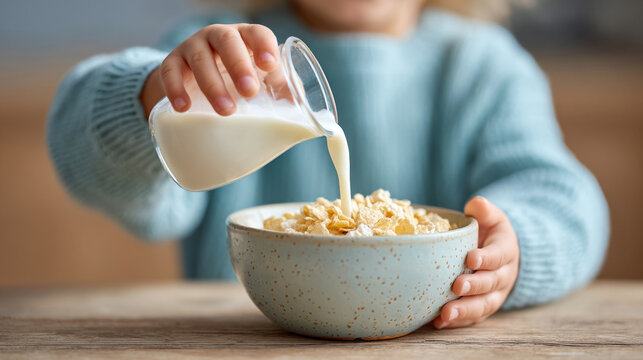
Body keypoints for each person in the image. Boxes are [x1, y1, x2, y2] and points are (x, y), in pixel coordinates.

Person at [47, 0, 609, 329]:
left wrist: (512, 252)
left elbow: (563, 197)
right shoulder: (226, 62)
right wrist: (148, 101)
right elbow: (86, 153)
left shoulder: (483, 67)